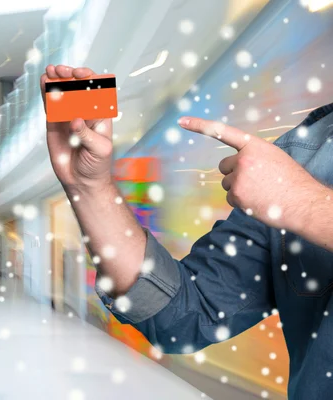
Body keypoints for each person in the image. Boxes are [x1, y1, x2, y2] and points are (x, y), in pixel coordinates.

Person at [41, 64, 333, 400]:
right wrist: (90, 186)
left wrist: (302, 203)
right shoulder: (307, 150)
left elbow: (298, 200)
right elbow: (183, 315)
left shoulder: (295, 177)